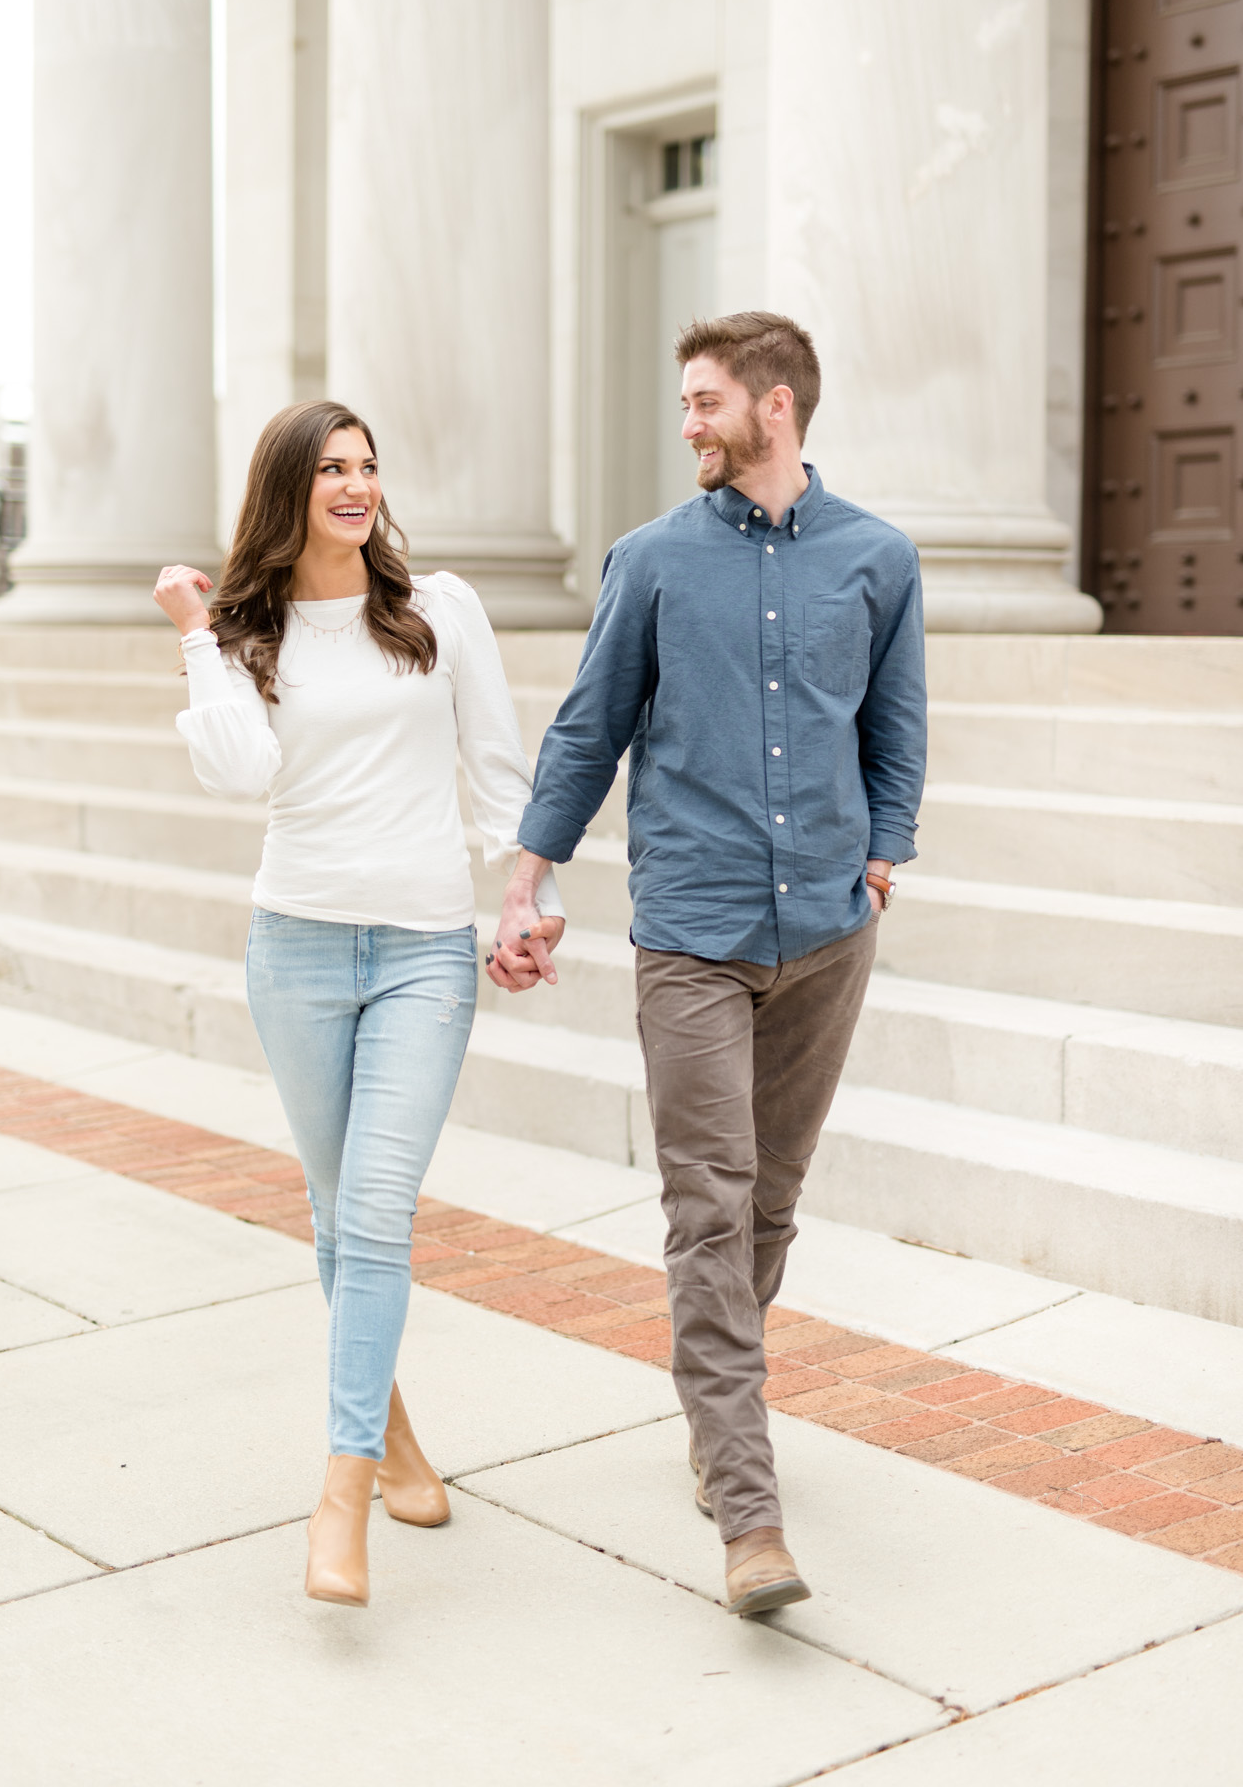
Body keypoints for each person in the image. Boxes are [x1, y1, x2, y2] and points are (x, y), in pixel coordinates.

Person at [486, 311, 926, 1617]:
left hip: (826, 937)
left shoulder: (876, 559)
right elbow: (586, 728)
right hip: (691, 931)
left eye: (701, 401)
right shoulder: (653, 560)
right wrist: (529, 876)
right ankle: (746, 1509)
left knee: (769, 1201)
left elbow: (894, 733)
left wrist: (882, 853)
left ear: (773, 404)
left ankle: (706, 1411)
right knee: (705, 1207)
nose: (685, 422)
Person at [152, 399, 563, 1609]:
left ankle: (340, 1491)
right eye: (330, 467)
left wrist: (521, 894)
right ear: (288, 487)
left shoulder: (439, 608)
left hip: (424, 950)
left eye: (368, 466)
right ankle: (393, 1436)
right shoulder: (246, 627)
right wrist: (193, 632)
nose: (355, 485)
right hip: (296, 944)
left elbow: (495, 766)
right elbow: (241, 770)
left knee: (376, 1206)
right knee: (340, 1219)